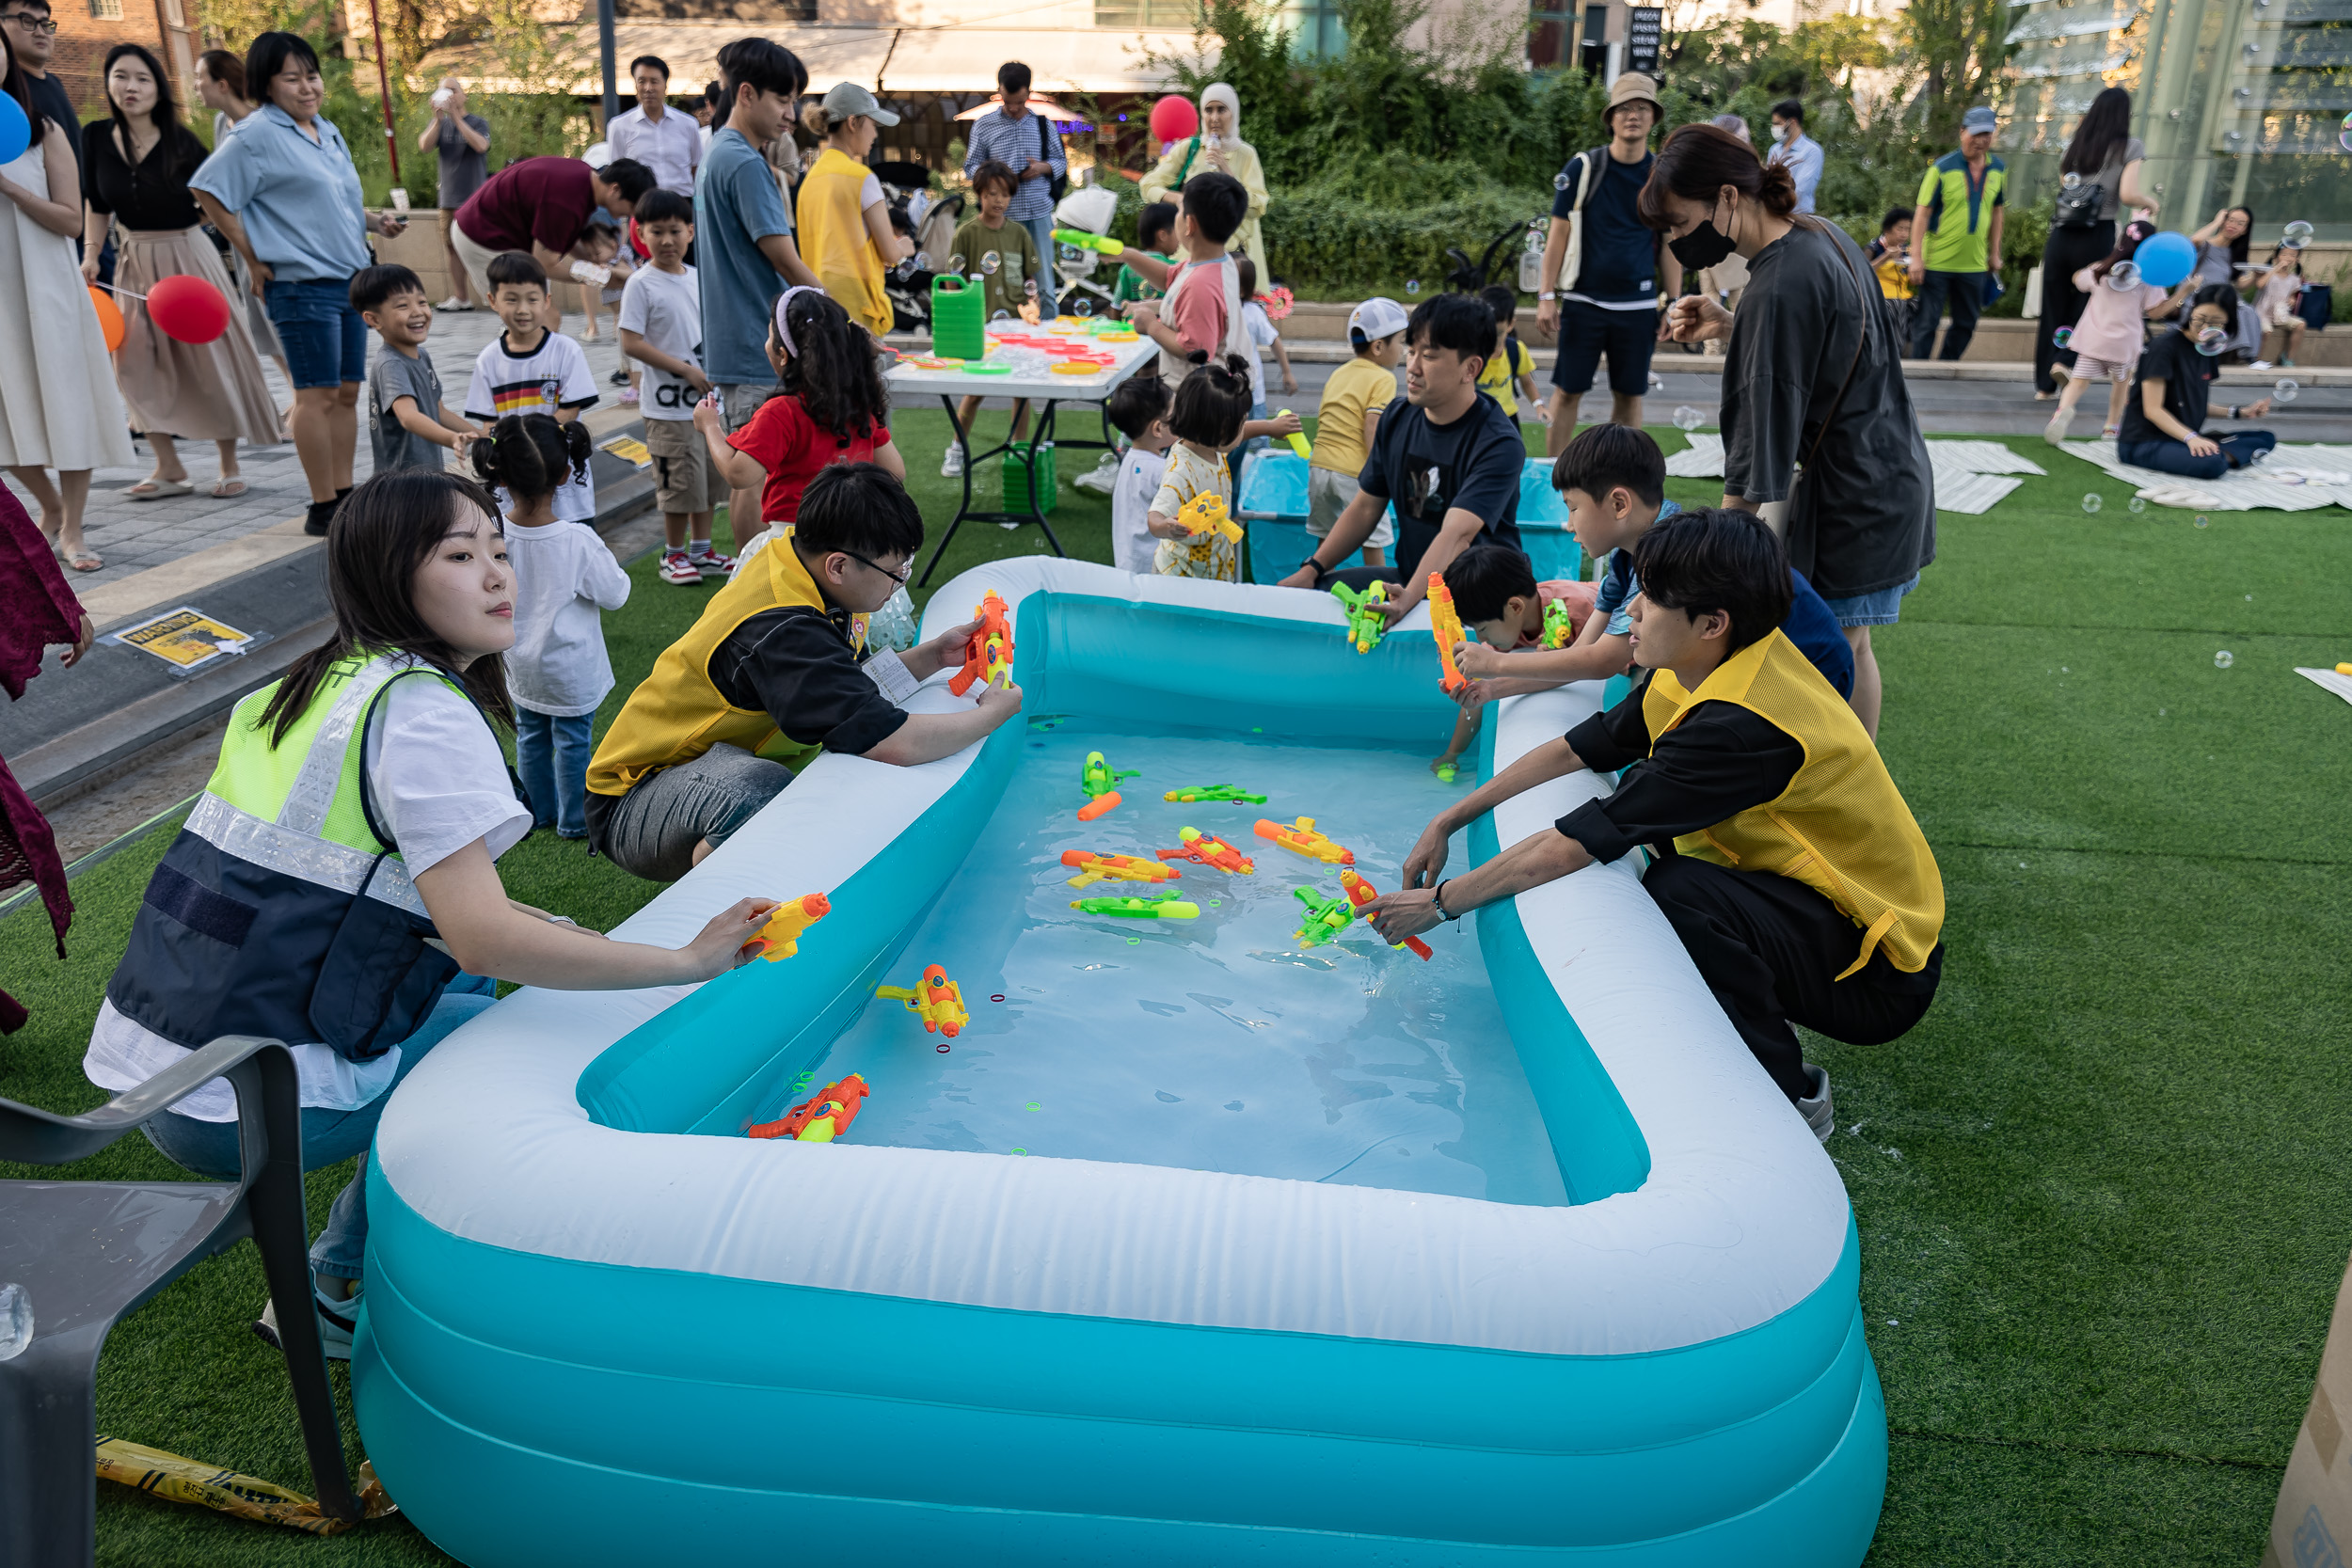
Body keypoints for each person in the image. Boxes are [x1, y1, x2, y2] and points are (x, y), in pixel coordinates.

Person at [85, 467, 781, 1355]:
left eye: (499, 549)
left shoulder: (311, 683)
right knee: (510, 1044)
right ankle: (344, 1278)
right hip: (244, 1096)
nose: (499, 575)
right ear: (389, 575)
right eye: (461, 554)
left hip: (161, 1066)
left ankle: (341, 1261)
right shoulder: (419, 712)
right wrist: (686, 958)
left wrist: (531, 931)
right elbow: (481, 932)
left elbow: (331, 889)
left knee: (469, 996)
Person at [1363, 510, 1946, 1140]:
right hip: (1832, 912)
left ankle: (1791, 1101)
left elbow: (1576, 842)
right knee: (1674, 874)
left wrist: (1441, 903)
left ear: (1711, 624)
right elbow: (1582, 746)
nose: (1632, 611)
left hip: (1881, 966)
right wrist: (1451, 816)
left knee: (1679, 891)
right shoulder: (1708, 666)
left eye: (1653, 598)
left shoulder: (1738, 726)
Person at [584, 462, 1026, 882]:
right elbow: (893, 743)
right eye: (895, 572)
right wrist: (992, 714)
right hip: (635, 798)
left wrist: (932, 655)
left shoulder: (798, 558)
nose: (899, 584)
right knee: (759, 794)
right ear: (838, 565)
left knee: (776, 789)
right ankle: (715, 911)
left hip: (700, 767)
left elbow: (845, 690)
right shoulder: (784, 628)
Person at [1648, 121, 1933, 739]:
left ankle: (1850, 803)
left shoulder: (1779, 283)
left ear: (1726, 197)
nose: (1674, 240)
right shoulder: (1817, 232)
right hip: (1886, 474)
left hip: (1854, 496)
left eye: (1678, 221)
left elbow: (1758, 442)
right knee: (1848, 646)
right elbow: (1826, 342)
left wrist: (1716, 553)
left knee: (1838, 651)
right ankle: (1851, 795)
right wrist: (1734, 324)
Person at [1451, 422, 1851, 697]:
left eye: (1573, 508)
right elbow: (1580, 657)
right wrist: (1494, 688)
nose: (1569, 525)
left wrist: (1497, 664)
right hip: (1764, 668)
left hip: (1806, 669)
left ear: (1619, 503)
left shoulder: (1669, 554)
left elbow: (1605, 660)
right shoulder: (1628, 556)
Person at [193, 32, 409, 536]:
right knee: (316, 395)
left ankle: (344, 493)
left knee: (349, 392)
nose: (307, 86)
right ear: (266, 85)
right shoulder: (256, 133)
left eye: (311, 75)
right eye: (292, 78)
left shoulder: (325, 130)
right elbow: (208, 188)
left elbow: (327, 204)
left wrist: (375, 222)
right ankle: (322, 505)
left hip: (350, 281)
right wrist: (251, 256)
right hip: (299, 283)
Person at [79, 43, 278, 502]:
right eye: (121, 76)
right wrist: (91, 253)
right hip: (134, 259)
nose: (131, 87)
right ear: (109, 83)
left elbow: (218, 197)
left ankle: (229, 464)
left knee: (209, 358)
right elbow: (97, 202)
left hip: (189, 258)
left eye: (142, 78)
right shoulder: (93, 137)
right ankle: (169, 466)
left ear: (158, 88)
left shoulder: (182, 140)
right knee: (133, 363)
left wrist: (200, 233)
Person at [1279, 292, 1524, 618]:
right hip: (1411, 579)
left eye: (1430, 356)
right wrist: (1311, 569)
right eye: (1411, 352)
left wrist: (1408, 599)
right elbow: (1365, 508)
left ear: (1471, 368)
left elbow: (1457, 534)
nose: (1413, 367)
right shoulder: (1396, 418)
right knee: (1318, 596)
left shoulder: (1499, 442)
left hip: (1483, 598)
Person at [0, 26, 133, 572]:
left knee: (70, 406)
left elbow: (70, 220)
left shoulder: (42, 129)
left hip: (47, 288)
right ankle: (49, 505)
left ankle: (73, 529)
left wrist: (9, 187)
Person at [472, 414, 628, 841]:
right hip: (569, 668)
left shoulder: (495, 535)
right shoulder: (578, 541)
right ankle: (574, 821)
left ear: (500, 476)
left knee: (531, 736)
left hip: (518, 663)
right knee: (574, 741)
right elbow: (616, 594)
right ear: (564, 473)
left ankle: (537, 813)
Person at [697, 38, 821, 547]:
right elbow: (786, 260)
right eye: (783, 100)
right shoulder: (745, 163)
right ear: (746, 94)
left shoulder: (718, 153)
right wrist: (841, 321)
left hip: (739, 341)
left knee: (758, 474)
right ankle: (754, 590)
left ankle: (752, 586)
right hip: (757, 344)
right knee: (755, 477)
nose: (791, 115)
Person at [1534, 71, 1680, 455]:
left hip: (1638, 305)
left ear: (1653, 118)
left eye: (1642, 108)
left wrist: (1675, 303)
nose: (1633, 115)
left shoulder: (1661, 176)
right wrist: (1546, 295)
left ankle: (1620, 480)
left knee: (1630, 396)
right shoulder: (1583, 168)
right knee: (1567, 392)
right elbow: (1558, 235)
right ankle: (1554, 478)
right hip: (1584, 301)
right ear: (1611, 117)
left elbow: (1670, 245)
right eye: (1625, 108)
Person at [696, 286, 903, 546]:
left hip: (796, 543)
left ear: (782, 355)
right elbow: (895, 471)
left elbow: (739, 474)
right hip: (852, 539)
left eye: (769, 336)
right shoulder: (859, 404)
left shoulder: (781, 412)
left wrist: (710, 426)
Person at [616, 188, 730, 587]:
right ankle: (673, 554)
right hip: (666, 408)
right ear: (641, 235)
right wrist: (684, 370)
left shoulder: (700, 279)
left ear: (691, 232)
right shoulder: (641, 284)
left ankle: (702, 550)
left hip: (705, 404)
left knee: (708, 482)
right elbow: (630, 342)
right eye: (656, 231)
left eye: (675, 230)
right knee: (678, 483)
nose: (667, 240)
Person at [1427, 545, 1597, 783]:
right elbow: (1478, 692)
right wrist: (1452, 754)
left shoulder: (1580, 612)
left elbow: (1589, 664)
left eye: (1483, 628)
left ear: (1516, 607)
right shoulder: (1507, 622)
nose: (1482, 639)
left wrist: (1555, 658)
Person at [463, 252, 597, 520]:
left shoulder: (565, 350)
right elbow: (489, 423)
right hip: (512, 480)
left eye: (532, 299)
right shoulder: (488, 360)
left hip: (561, 478)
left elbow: (570, 411)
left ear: (546, 301)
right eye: (511, 299)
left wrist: (530, 445)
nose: (523, 309)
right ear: (492, 300)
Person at [2036, 87, 2151, 398]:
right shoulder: (2131, 147)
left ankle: (2043, 388)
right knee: (2086, 303)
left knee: (2052, 307)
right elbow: (2127, 195)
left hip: (2061, 234)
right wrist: (2150, 201)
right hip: (2097, 233)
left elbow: (2067, 189)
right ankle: (2064, 361)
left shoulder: (2075, 147)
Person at [193, 49, 292, 398]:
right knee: (259, 322)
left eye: (199, 79)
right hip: (238, 234)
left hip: (269, 235)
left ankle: (305, 396)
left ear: (221, 84)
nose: (194, 87)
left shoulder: (266, 123)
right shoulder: (222, 123)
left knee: (278, 318)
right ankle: (297, 393)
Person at [449, 152, 654, 317]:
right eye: (632, 208)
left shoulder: (583, 176)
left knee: (539, 317)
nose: (631, 215)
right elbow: (546, 264)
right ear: (615, 190)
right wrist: (602, 278)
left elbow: (561, 236)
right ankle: (509, 364)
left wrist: (595, 261)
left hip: (493, 231)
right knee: (539, 318)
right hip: (482, 237)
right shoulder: (568, 201)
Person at [2117, 287, 2276, 479]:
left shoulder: (2208, 348)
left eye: (2215, 322)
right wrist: (2191, 438)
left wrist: (2240, 412)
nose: (2205, 327)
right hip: (2145, 442)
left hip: (2183, 438)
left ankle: (2213, 453)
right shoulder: (2163, 348)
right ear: (2191, 311)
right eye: (2200, 318)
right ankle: (2216, 455)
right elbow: (2152, 410)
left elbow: (2194, 403)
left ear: (2228, 322)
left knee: (2265, 438)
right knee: (2212, 464)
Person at [942, 158, 1038, 477]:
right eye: (991, 193)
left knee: (1022, 392)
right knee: (975, 391)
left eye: (1004, 194)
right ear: (979, 194)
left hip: (1016, 325)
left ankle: (1019, 452)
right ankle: (956, 448)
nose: (998, 200)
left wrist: (1033, 303)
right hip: (981, 327)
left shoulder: (1020, 234)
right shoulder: (966, 233)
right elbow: (954, 283)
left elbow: (1030, 281)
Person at [1113, 171, 1250, 377]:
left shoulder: (1201, 283)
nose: (1176, 216)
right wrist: (1127, 255)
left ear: (1190, 225)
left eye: (1179, 210)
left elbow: (1195, 349)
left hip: (1198, 396)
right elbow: (1170, 278)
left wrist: (1151, 325)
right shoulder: (1217, 262)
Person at [2043, 220, 2169, 445]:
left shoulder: (2101, 270)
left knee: (2078, 382)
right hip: (2124, 344)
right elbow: (2157, 311)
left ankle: (2061, 413)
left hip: (2093, 340)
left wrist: (2094, 266)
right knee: (2120, 386)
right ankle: (2111, 428)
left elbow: (2077, 281)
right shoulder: (2148, 279)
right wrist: (2184, 294)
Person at [1306, 297, 1404, 573]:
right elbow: (1372, 426)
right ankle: (1379, 593)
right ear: (1378, 346)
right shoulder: (1384, 378)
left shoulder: (1339, 373)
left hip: (1320, 467)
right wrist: (1381, 472)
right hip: (1354, 472)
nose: (1403, 350)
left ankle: (1316, 588)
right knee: (1372, 538)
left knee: (1326, 543)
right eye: (1400, 342)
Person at [963, 62, 1068, 316]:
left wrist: (1043, 167)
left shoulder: (1043, 124)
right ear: (999, 91)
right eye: (1008, 101)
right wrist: (996, 176)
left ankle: (1048, 337)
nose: (1012, 108)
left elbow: (1061, 162)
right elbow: (970, 167)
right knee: (1002, 281)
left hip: (1038, 212)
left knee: (1044, 282)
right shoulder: (984, 125)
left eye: (1019, 102)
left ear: (1029, 93)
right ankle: (1005, 334)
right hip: (1001, 216)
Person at [355, 262, 479, 472]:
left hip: (425, 477)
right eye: (402, 306)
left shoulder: (422, 356)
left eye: (422, 302)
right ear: (374, 319)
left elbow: (437, 411)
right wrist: (451, 439)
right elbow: (408, 416)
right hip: (404, 483)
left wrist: (480, 436)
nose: (417, 312)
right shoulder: (391, 364)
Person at [1906, 105, 2006, 362]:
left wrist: (1995, 253)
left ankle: (1946, 367)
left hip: (1973, 263)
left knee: (1966, 322)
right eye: (1975, 134)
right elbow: (1922, 214)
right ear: (1962, 132)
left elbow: (1997, 212)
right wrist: (1916, 257)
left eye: (1987, 134)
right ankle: (1919, 373)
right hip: (1937, 259)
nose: (1981, 140)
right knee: (1927, 321)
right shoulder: (1941, 168)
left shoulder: (1998, 169)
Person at [1138, 83, 1267, 275]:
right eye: (1209, 110)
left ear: (1233, 113)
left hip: (1236, 254)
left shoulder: (1246, 154)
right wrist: (1179, 199)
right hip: (1193, 250)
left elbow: (1258, 206)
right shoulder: (1189, 148)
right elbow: (1147, 185)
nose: (1214, 118)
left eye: (1222, 110)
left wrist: (1226, 170)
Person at [1146, 355, 1252, 582]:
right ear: (1222, 429)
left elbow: (1237, 436)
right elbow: (1154, 517)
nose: (1245, 429)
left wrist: (1271, 428)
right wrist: (1166, 527)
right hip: (1182, 577)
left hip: (1211, 564)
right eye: (1242, 423)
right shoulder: (1182, 471)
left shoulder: (1211, 446)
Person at [416, 76, 489, 311]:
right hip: (448, 198)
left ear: (463, 95)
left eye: (453, 90)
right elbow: (424, 147)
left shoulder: (478, 122)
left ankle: (493, 293)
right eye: (443, 90)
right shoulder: (441, 125)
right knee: (451, 247)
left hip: (475, 198)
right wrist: (438, 119)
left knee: (483, 246)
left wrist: (456, 117)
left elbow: (481, 146)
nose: (449, 94)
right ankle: (461, 297)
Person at [1105, 373, 1173, 576]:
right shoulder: (1160, 471)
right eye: (1176, 417)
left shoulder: (1130, 460)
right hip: (1153, 567)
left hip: (1127, 560)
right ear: (1158, 429)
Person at [608, 55, 699, 197]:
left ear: (666, 85)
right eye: (642, 81)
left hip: (682, 204)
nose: (648, 88)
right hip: (641, 205)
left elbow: (696, 168)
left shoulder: (688, 124)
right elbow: (617, 172)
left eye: (654, 81)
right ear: (635, 85)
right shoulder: (619, 126)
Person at [1475, 283, 1541, 430]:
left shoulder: (1515, 350)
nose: (1490, 338)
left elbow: (1527, 382)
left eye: (1497, 333)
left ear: (1510, 324)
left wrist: (1538, 405)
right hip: (1474, 418)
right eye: (1485, 329)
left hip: (1507, 418)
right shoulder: (1467, 351)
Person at [1111, 201, 1176, 309]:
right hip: (1163, 326)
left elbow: (1116, 306)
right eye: (1177, 231)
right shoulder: (1175, 268)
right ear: (1163, 235)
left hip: (1132, 326)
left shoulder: (1128, 268)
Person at [1867, 207, 1916, 346]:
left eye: (1907, 229)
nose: (1904, 234)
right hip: (1880, 295)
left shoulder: (1907, 250)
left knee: (1919, 306)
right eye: (1900, 229)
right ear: (1888, 229)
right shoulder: (1874, 247)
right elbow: (1863, 270)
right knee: (1895, 306)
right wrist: (1885, 257)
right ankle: (1895, 348)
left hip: (1903, 295)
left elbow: (1911, 279)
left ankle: (1913, 349)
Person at [1765, 99, 1822, 216]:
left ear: (1793, 122)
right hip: (1773, 215)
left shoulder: (1812, 151)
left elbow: (1800, 190)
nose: (1774, 128)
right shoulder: (1774, 149)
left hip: (1799, 217)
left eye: (1778, 123)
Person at [2251, 243, 2304, 369]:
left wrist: (2292, 299)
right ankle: (2255, 359)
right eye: (2284, 254)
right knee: (2266, 331)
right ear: (2276, 257)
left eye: (2292, 255)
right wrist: (2275, 268)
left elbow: (2292, 294)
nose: (2287, 257)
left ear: (2296, 260)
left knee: (2300, 325)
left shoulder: (2294, 278)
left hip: (2280, 314)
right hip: (2262, 313)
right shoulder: (2267, 273)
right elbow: (2260, 285)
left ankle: (2288, 358)